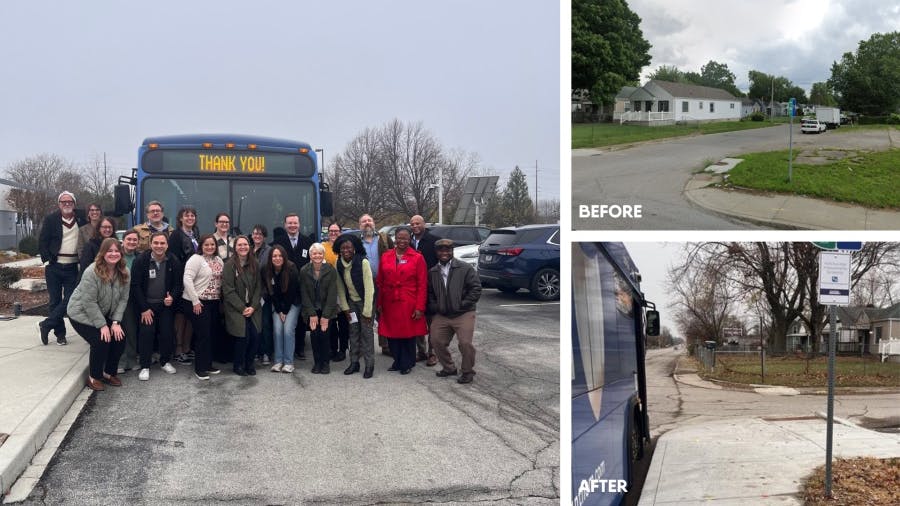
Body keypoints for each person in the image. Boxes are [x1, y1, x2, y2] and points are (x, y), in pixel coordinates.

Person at [66, 238, 130, 391]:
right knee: (101, 340)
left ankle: (109, 373)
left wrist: (115, 323)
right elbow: (89, 302)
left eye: (116, 251)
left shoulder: (124, 272)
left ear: (121, 253)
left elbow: (123, 299)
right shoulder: (92, 271)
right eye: (110, 251)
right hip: (80, 313)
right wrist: (102, 325)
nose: (113, 254)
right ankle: (94, 376)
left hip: (101, 312)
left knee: (120, 337)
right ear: (103, 253)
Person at [426, 238, 482, 384]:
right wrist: (436, 307)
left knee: (465, 343)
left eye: (448, 250)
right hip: (442, 313)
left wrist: (462, 304)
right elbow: (430, 293)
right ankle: (449, 367)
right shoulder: (433, 271)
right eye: (441, 250)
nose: (444, 253)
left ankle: (468, 371)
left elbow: (476, 289)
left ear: (452, 251)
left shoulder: (465, 268)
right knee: (435, 340)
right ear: (436, 252)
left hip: (463, 312)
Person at [131, 232, 183, 381]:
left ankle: (165, 361)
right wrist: (144, 308)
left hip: (165, 306)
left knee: (167, 333)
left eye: (162, 243)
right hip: (146, 306)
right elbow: (135, 286)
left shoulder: (173, 260)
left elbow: (178, 284)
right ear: (150, 244)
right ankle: (145, 366)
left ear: (167, 245)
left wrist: (172, 297)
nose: (159, 246)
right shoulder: (141, 260)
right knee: (147, 333)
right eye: (156, 243)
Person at [38, 191, 88, 346]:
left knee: (70, 299)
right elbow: (43, 240)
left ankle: (46, 324)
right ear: (59, 204)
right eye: (63, 202)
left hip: (73, 266)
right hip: (54, 266)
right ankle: (60, 334)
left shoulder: (81, 218)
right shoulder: (51, 219)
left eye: (70, 201)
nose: (67, 204)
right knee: (54, 301)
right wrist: (47, 259)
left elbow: (97, 212)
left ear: (74, 203)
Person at [375, 226, 427, 374]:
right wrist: (379, 302)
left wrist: (419, 307)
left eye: (405, 238)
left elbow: (422, 285)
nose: (402, 241)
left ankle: (407, 362)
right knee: (391, 333)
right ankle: (397, 360)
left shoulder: (417, 257)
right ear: (394, 239)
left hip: (408, 301)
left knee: (407, 334)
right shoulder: (386, 256)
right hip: (389, 300)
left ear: (410, 239)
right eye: (399, 238)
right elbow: (380, 281)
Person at [182, 234, 224, 380]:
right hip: (198, 302)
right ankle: (200, 368)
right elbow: (187, 279)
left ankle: (208, 364)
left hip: (213, 302)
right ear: (201, 246)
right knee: (202, 335)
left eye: (212, 245)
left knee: (211, 334)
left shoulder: (218, 260)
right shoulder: (195, 259)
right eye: (206, 245)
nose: (210, 247)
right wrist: (195, 301)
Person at [333, 233, 375, 379]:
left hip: (365, 302)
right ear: (339, 249)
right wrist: (345, 308)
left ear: (355, 248)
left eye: (349, 247)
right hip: (351, 303)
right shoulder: (338, 263)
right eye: (343, 248)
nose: (346, 250)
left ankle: (369, 365)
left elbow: (370, 288)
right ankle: (354, 363)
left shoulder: (363, 262)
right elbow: (339, 287)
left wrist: (368, 311)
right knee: (353, 332)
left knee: (367, 334)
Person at [272, 213, 312, 360]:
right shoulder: (278, 242)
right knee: (284, 321)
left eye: (295, 223)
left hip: (303, 288)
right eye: (289, 223)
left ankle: (300, 348)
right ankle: (282, 352)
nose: (292, 226)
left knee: (302, 320)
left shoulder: (308, 242)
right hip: (285, 288)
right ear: (285, 225)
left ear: (299, 224)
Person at [222, 235, 261, 376]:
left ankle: (249, 363)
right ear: (235, 248)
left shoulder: (254, 263)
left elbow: (258, 287)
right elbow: (228, 291)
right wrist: (243, 308)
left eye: (245, 244)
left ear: (249, 247)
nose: (243, 247)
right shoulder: (229, 265)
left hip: (253, 307)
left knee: (255, 336)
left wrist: (253, 306)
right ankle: (238, 365)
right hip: (236, 308)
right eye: (240, 245)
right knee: (243, 335)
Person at [168, 206, 200, 365]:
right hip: (182, 281)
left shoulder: (196, 234)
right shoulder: (175, 235)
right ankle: (179, 349)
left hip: (195, 281)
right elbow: (173, 259)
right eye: (186, 216)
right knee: (180, 316)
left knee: (191, 315)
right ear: (180, 218)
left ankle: (187, 348)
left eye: (192, 215)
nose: (190, 218)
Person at [300, 243, 338, 374]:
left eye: (320, 253)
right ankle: (317, 363)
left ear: (323, 255)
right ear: (310, 255)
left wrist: (326, 316)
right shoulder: (304, 270)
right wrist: (311, 314)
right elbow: (304, 294)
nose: (317, 256)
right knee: (314, 337)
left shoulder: (331, 270)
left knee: (325, 336)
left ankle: (325, 363)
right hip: (311, 310)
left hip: (327, 310)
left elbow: (333, 294)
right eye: (314, 253)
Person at [358, 214, 393, 356]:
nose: (367, 223)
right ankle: (362, 347)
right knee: (366, 313)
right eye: (364, 221)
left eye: (369, 220)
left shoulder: (384, 239)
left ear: (374, 223)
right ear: (359, 225)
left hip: (384, 282)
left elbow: (394, 255)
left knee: (384, 313)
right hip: (365, 284)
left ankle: (386, 345)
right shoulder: (356, 242)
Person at [262, 245, 300, 373]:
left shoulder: (291, 268)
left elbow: (293, 292)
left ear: (284, 257)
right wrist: (279, 310)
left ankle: (289, 362)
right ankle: (278, 361)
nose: (277, 258)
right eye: (274, 256)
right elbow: (271, 292)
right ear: (270, 258)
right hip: (277, 305)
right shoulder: (267, 270)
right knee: (278, 330)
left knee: (288, 330)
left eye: (279, 256)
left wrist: (285, 311)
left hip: (292, 303)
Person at [410, 214, 440, 366]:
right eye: (412, 224)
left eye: (418, 223)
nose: (415, 226)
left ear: (424, 224)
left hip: (431, 287)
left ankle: (432, 353)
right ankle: (420, 351)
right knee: (417, 320)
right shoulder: (408, 241)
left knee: (432, 322)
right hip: (413, 288)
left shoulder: (434, 241)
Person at [323, 222, 348, 362]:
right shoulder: (323, 247)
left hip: (344, 289)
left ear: (340, 232)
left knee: (344, 322)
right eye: (331, 231)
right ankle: (332, 348)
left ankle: (343, 349)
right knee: (331, 321)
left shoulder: (346, 246)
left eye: (336, 231)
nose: (333, 233)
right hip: (328, 290)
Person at [117, 230, 140, 373]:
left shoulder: (140, 257)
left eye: (134, 240)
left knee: (131, 330)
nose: (131, 242)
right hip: (117, 297)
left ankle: (131, 360)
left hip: (134, 298)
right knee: (119, 330)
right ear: (123, 241)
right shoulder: (116, 256)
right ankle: (120, 362)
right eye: (129, 239)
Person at [251, 224, 273, 365]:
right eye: (254, 234)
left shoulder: (269, 251)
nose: (257, 236)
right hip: (250, 294)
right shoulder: (248, 249)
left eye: (260, 234)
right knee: (254, 324)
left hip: (264, 293)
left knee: (265, 324)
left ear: (264, 236)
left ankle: (266, 352)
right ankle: (255, 352)